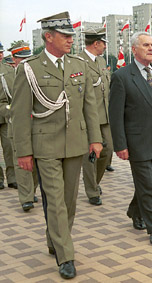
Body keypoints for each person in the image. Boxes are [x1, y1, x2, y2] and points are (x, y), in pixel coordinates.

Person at [11, 12, 103, 279]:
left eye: (71, 36)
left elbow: (90, 107)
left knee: (68, 201)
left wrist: (95, 138)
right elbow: (19, 114)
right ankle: (66, 255)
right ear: (48, 37)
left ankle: (55, 239)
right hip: (45, 146)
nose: (70, 41)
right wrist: (24, 152)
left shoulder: (78, 64)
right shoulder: (30, 68)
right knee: (55, 200)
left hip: (75, 144)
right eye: (65, 36)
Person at [109, 32, 152, 247]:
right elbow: (116, 115)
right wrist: (120, 145)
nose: (151, 48)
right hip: (137, 143)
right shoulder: (122, 76)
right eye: (146, 45)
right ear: (134, 50)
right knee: (147, 187)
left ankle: (134, 210)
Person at [0, 42, 39, 211]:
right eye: (21, 58)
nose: (25, 61)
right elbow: (2, 102)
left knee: (37, 162)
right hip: (15, 123)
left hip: (37, 123)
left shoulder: (38, 71)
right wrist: (12, 112)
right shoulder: (6, 75)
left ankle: (32, 189)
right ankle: (26, 197)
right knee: (20, 161)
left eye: (27, 58)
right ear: (14, 58)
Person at [79, 27, 113, 206]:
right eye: (104, 43)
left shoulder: (100, 61)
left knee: (107, 152)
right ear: (96, 43)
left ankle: (95, 182)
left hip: (105, 117)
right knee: (90, 156)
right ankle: (92, 191)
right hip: (88, 118)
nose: (105, 47)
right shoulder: (78, 62)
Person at [0, 43, 17, 190]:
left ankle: (12, 178)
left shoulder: (7, 69)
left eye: (1, 52)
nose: (0, 54)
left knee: (9, 147)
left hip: (4, 114)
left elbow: (13, 91)